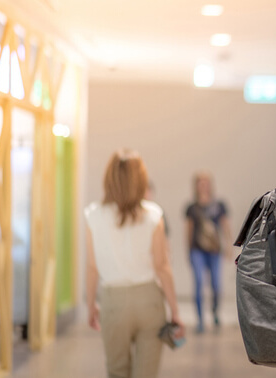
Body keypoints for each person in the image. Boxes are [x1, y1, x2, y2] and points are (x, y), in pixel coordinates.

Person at [85, 149, 184, 378]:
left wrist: (91, 305)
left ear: (108, 178)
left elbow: (92, 267)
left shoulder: (94, 215)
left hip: (113, 302)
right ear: (141, 179)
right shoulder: (153, 215)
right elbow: (162, 267)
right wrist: (175, 311)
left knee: (117, 371)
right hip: (149, 302)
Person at [185, 171, 233, 333]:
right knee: (198, 282)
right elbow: (189, 230)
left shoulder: (219, 206)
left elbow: (225, 226)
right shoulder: (191, 208)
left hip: (214, 251)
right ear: (196, 186)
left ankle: (215, 311)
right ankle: (200, 320)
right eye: (200, 182)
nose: (203, 185)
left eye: (206, 182)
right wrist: (188, 251)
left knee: (216, 285)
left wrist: (228, 245)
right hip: (197, 250)